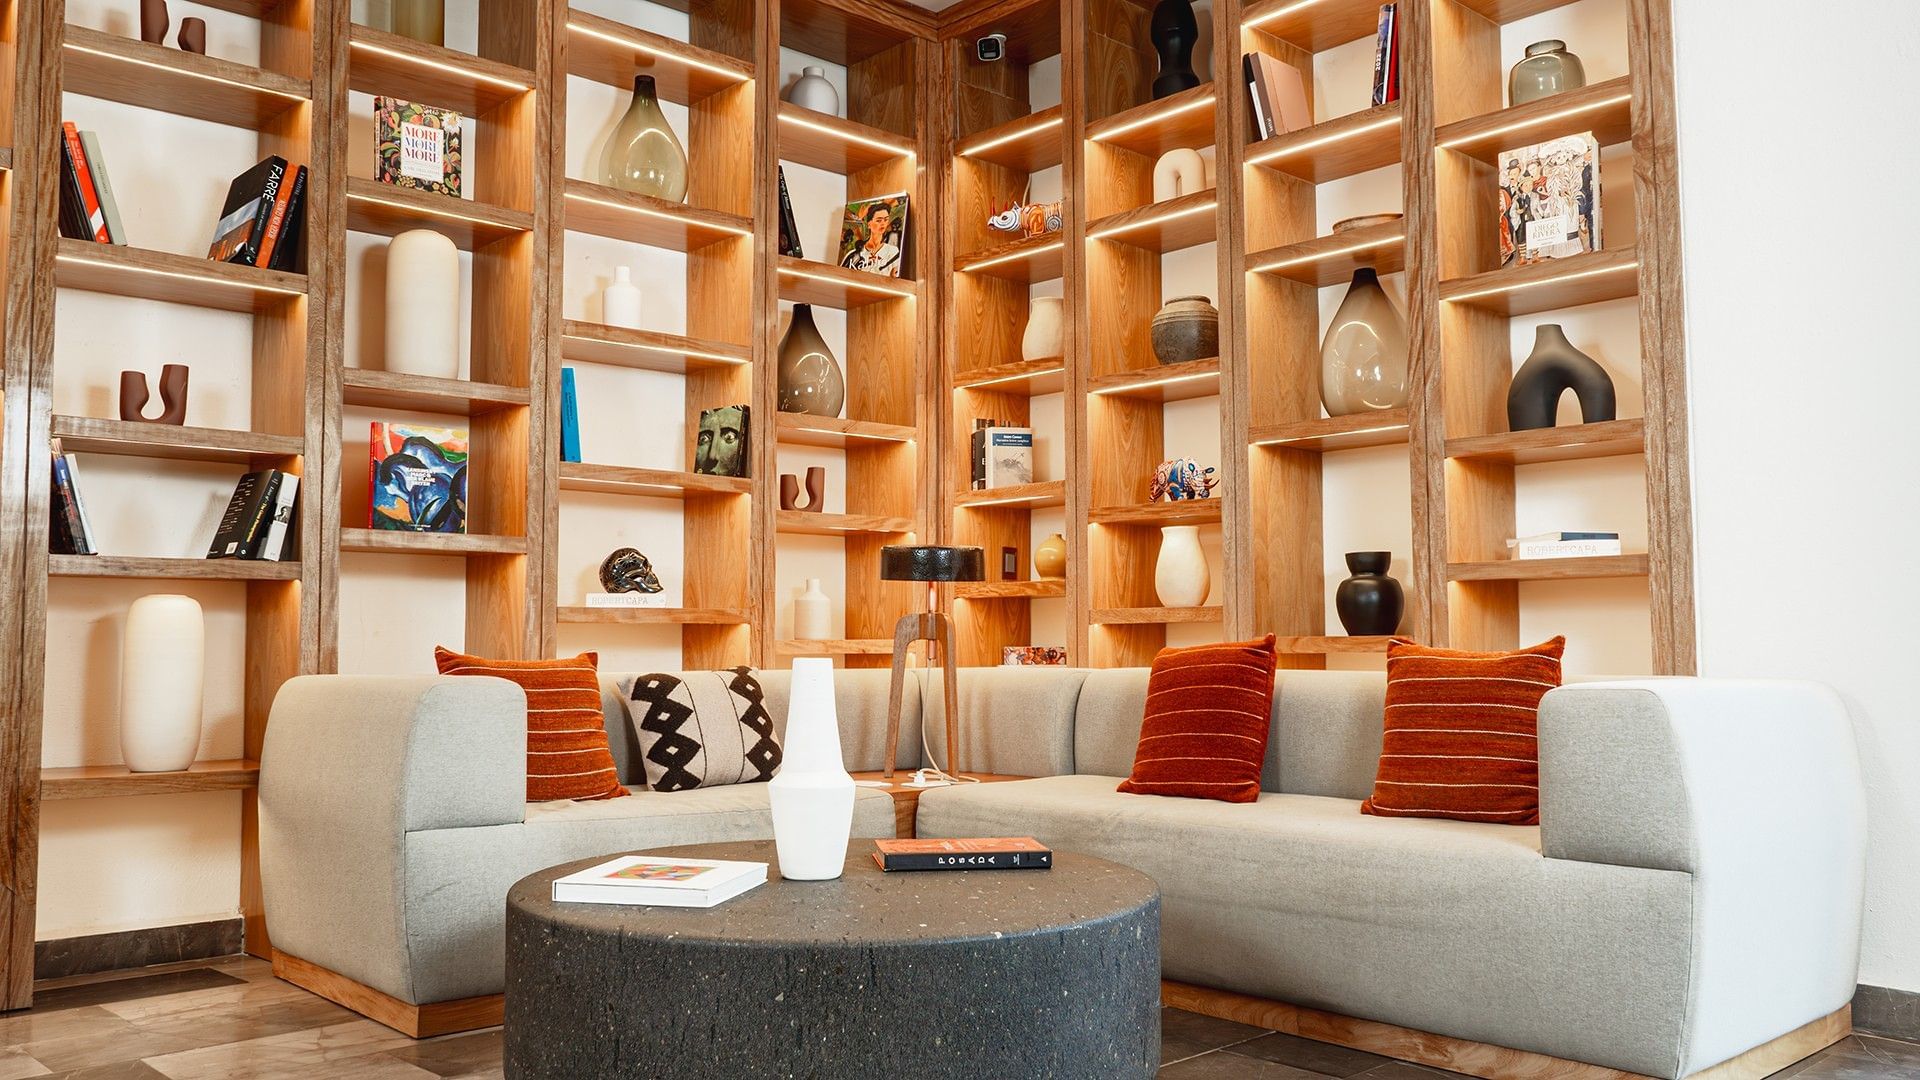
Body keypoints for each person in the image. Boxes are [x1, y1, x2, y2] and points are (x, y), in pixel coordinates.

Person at [841, 201, 901, 276]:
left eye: (886, 220)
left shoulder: (893, 251)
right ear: (869, 224)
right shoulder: (853, 254)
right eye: (879, 220)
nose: (883, 223)